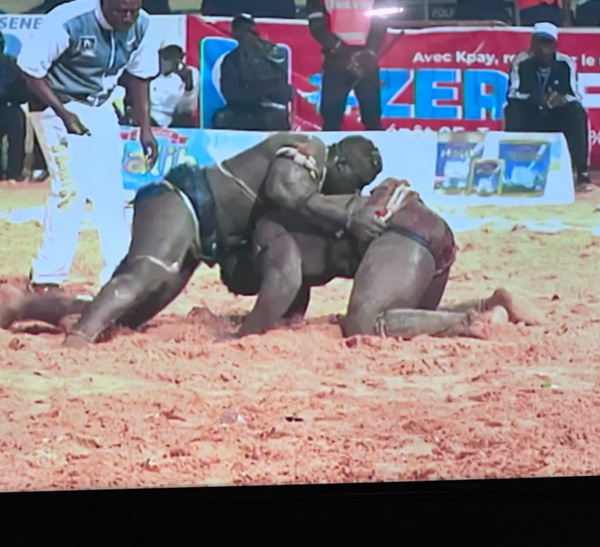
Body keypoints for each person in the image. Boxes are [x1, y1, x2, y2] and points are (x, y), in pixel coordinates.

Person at [0, 133, 387, 348]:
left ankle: (24, 307)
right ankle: (76, 346)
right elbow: (283, 189)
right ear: (339, 164)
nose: (355, 190)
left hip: (201, 232)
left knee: (129, 312)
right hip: (183, 201)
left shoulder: (314, 192)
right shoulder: (312, 150)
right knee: (143, 277)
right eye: (357, 180)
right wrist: (348, 215)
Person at [219, 176, 540, 339]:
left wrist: (244, 332)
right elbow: (290, 297)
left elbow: (284, 280)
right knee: (407, 319)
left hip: (403, 234)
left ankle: (471, 323)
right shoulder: (288, 227)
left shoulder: (268, 230)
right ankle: (488, 305)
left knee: (364, 322)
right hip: (425, 234)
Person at [16, 0, 159, 295]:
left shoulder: (143, 25)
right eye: (121, 10)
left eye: (133, 10)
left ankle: (118, 274)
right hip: (55, 105)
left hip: (101, 106)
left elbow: (140, 79)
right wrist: (64, 114)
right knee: (71, 188)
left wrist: (145, 128)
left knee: (111, 192)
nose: (127, 17)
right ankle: (46, 277)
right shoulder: (67, 20)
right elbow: (31, 71)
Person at [504, 22, 594, 192]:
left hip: (556, 115)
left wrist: (561, 100)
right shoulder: (521, 61)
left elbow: (575, 95)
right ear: (532, 44)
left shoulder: (565, 63)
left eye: (547, 44)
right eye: (539, 43)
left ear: (555, 46)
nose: (543, 50)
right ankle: (512, 167)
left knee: (577, 112)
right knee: (512, 110)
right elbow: (513, 93)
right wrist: (535, 99)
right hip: (530, 112)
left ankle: (581, 172)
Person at [306, 0, 387, 131]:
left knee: (334, 119)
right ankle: (371, 150)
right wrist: (368, 51)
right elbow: (380, 23)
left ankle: (333, 149)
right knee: (369, 118)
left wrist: (340, 49)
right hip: (358, 60)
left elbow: (317, 27)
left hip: (338, 59)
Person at [213, 14, 292, 131]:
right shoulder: (231, 59)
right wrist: (256, 93)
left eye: (248, 30)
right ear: (235, 35)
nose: (246, 35)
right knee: (221, 117)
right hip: (240, 109)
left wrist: (263, 92)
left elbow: (284, 90)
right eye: (241, 30)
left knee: (277, 117)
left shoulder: (271, 52)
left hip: (267, 108)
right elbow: (230, 93)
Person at [146, 38, 199, 128]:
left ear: (182, 56)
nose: (171, 58)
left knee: (185, 119)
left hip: (176, 119)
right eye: (167, 55)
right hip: (151, 118)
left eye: (175, 55)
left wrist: (188, 88)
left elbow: (186, 109)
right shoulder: (149, 72)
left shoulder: (191, 73)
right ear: (159, 54)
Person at [0, 31, 29, 183]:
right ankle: (14, 173)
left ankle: (14, 172)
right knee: (16, 137)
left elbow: (23, 90)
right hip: (11, 107)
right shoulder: (13, 63)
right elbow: (23, 92)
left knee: (16, 129)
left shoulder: (13, 64)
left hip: (10, 107)